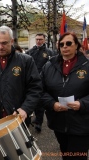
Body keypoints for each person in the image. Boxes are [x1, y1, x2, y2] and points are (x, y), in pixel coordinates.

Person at [0, 26, 42, 127]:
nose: (0, 47)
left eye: (4, 43)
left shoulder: (26, 61)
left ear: (11, 41)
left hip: (19, 116)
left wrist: (26, 108)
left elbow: (35, 88)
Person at [40, 32, 89, 160]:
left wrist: (82, 104)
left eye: (68, 43)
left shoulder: (87, 66)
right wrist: (52, 104)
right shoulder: (49, 66)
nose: (64, 47)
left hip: (82, 123)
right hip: (59, 122)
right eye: (61, 44)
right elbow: (40, 90)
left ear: (77, 46)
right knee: (66, 154)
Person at [25, 33, 56, 132]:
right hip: (30, 80)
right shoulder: (30, 52)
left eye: (41, 39)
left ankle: (39, 122)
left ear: (44, 40)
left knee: (40, 103)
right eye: (37, 39)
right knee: (29, 101)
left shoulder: (49, 52)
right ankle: (28, 120)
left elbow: (52, 66)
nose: (38, 41)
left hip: (43, 80)